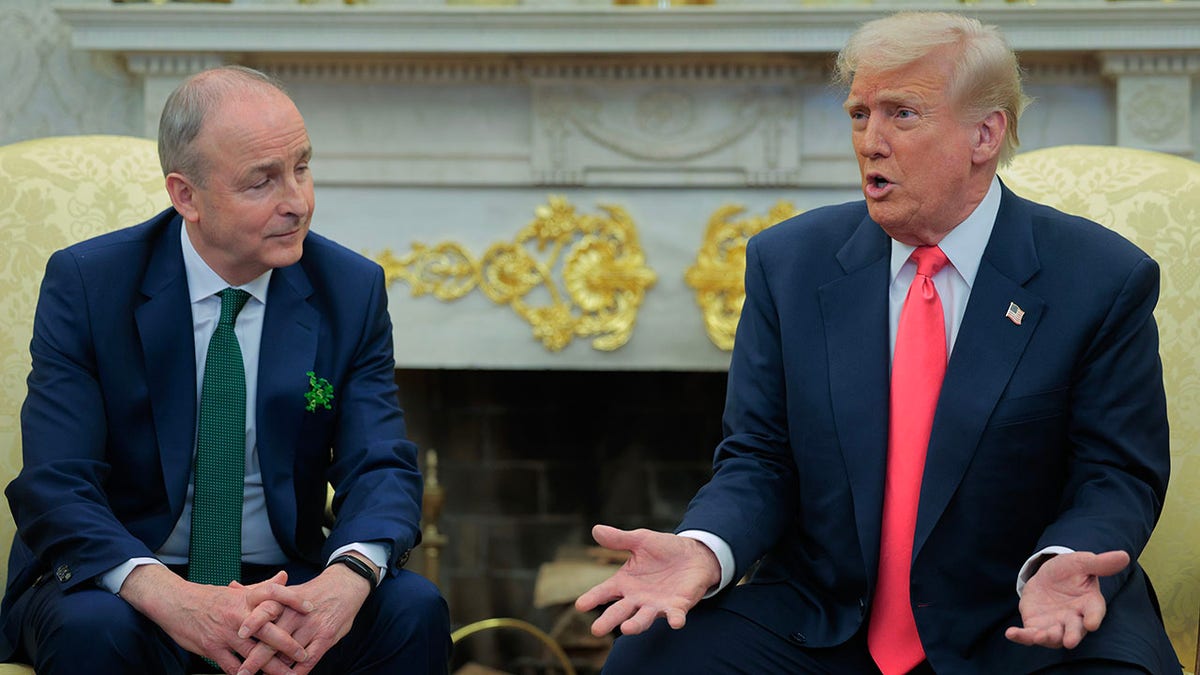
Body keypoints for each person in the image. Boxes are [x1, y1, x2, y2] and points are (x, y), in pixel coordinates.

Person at [576, 11, 1181, 675]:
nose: (870, 140)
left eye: (902, 114)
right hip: (830, 618)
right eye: (859, 114)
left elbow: (1116, 473)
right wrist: (704, 547)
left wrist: (1065, 557)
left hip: (1019, 613)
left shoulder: (1098, 278)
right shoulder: (790, 264)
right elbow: (759, 457)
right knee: (653, 657)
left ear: (985, 133)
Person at [0, 65, 451, 675]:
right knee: (95, 630)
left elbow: (382, 466)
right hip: (126, 580)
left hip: (284, 580)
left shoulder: (350, 288)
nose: (297, 202)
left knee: (413, 608)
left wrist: (345, 581)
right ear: (186, 195)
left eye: (301, 167)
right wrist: (174, 599)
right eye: (261, 182)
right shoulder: (90, 284)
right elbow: (56, 484)